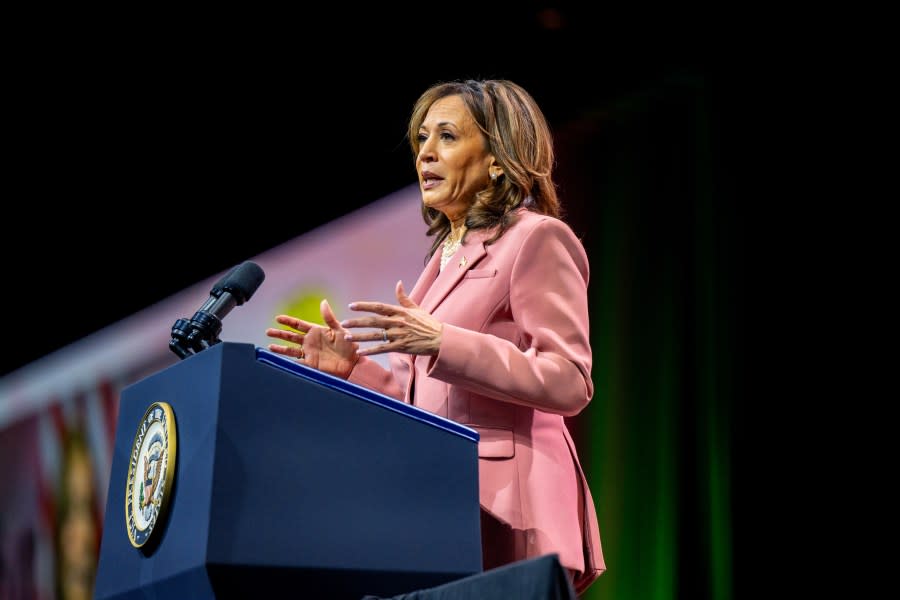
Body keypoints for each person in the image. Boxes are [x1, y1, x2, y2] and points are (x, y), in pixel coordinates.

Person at [265, 79, 605, 595]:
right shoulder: (439, 265)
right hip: (445, 511)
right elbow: (423, 399)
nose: (424, 152)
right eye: (422, 138)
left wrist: (445, 342)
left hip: (512, 506)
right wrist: (352, 369)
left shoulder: (536, 238)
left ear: (497, 159)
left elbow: (569, 379)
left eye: (446, 136)